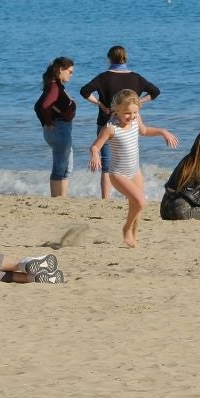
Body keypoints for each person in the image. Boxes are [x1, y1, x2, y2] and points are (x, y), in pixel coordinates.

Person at [89, 90, 177, 247]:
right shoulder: (111, 128)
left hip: (135, 171)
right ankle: (126, 229)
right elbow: (95, 147)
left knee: (136, 207)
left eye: (135, 112)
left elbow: (144, 131)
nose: (132, 116)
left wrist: (162, 132)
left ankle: (133, 238)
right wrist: (95, 155)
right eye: (127, 113)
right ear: (117, 109)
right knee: (141, 201)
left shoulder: (136, 121)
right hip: (118, 174)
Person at [80, 46, 160, 200]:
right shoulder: (136, 77)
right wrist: (138, 103)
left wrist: (99, 104)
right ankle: (130, 196)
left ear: (109, 59)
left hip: (106, 122)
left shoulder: (103, 77)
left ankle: (106, 199)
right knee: (128, 161)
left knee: (107, 164)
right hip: (130, 123)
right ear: (126, 58)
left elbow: (84, 91)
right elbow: (155, 92)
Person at [35, 57, 79, 198]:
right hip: (59, 130)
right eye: (70, 72)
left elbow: (40, 106)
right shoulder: (55, 87)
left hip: (61, 129)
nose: (71, 75)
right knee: (60, 168)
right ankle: (56, 199)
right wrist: (48, 122)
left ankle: (62, 199)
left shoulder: (55, 86)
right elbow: (42, 106)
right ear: (61, 69)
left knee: (67, 168)